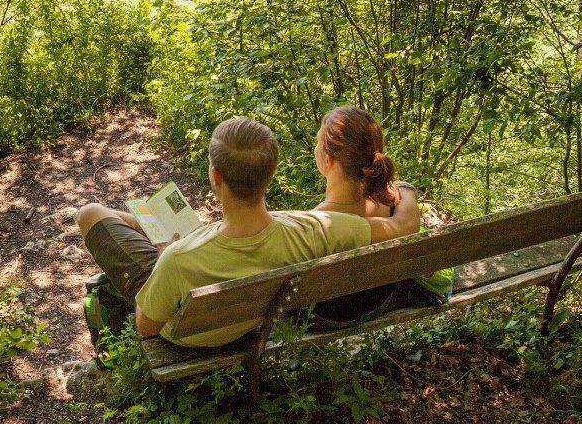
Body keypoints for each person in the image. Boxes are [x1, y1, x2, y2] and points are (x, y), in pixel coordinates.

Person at [75, 116, 420, 348]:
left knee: (90, 213)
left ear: (215, 177)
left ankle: (140, 227)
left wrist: (165, 255)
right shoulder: (316, 230)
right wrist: (403, 189)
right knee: (133, 226)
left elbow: (147, 328)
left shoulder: (178, 260)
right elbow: (402, 226)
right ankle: (141, 223)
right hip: (245, 320)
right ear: (270, 175)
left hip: (190, 335)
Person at [309, 105, 454, 329]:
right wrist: (406, 190)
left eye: (318, 143)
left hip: (328, 318)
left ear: (327, 161)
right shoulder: (394, 202)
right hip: (380, 301)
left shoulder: (312, 224)